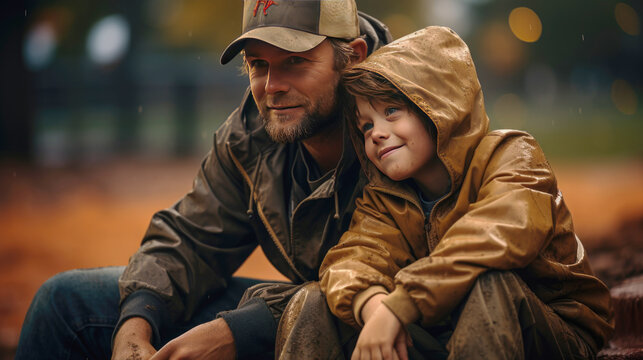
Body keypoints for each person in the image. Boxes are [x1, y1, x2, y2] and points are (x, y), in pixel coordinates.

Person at [15, 1, 392, 359]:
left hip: (389, 332)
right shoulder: (250, 137)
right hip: (293, 316)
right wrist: (134, 323)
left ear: (353, 57)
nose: (272, 86)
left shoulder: (404, 126)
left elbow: (405, 286)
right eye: (259, 64)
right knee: (66, 303)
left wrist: (238, 332)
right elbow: (191, 240)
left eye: (295, 61)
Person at [318, 26, 614, 359]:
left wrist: (401, 305)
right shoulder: (385, 197)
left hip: (554, 329)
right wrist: (372, 306)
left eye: (391, 112)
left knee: (490, 283)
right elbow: (351, 258)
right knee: (314, 302)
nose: (376, 134)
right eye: (366, 125)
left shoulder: (513, 154)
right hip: (453, 327)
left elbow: (496, 234)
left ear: (437, 105)